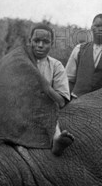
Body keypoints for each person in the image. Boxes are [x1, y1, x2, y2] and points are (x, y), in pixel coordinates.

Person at [28, 24, 75, 156]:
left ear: (52, 44)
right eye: (36, 41)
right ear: (29, 41)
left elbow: (61, 101)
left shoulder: (56, 66)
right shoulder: (20, 61)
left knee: (51, 118)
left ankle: (56, 141)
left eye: (46, 42)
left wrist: (46, 87)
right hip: (19, 106)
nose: (40, 45)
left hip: (44, 110)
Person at [65, 14, 102, 96]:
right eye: (97, 26)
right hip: (77, 99)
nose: (100, 29)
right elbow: (69, 78)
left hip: (100, 102)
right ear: (92, 28)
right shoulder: (79, 49)